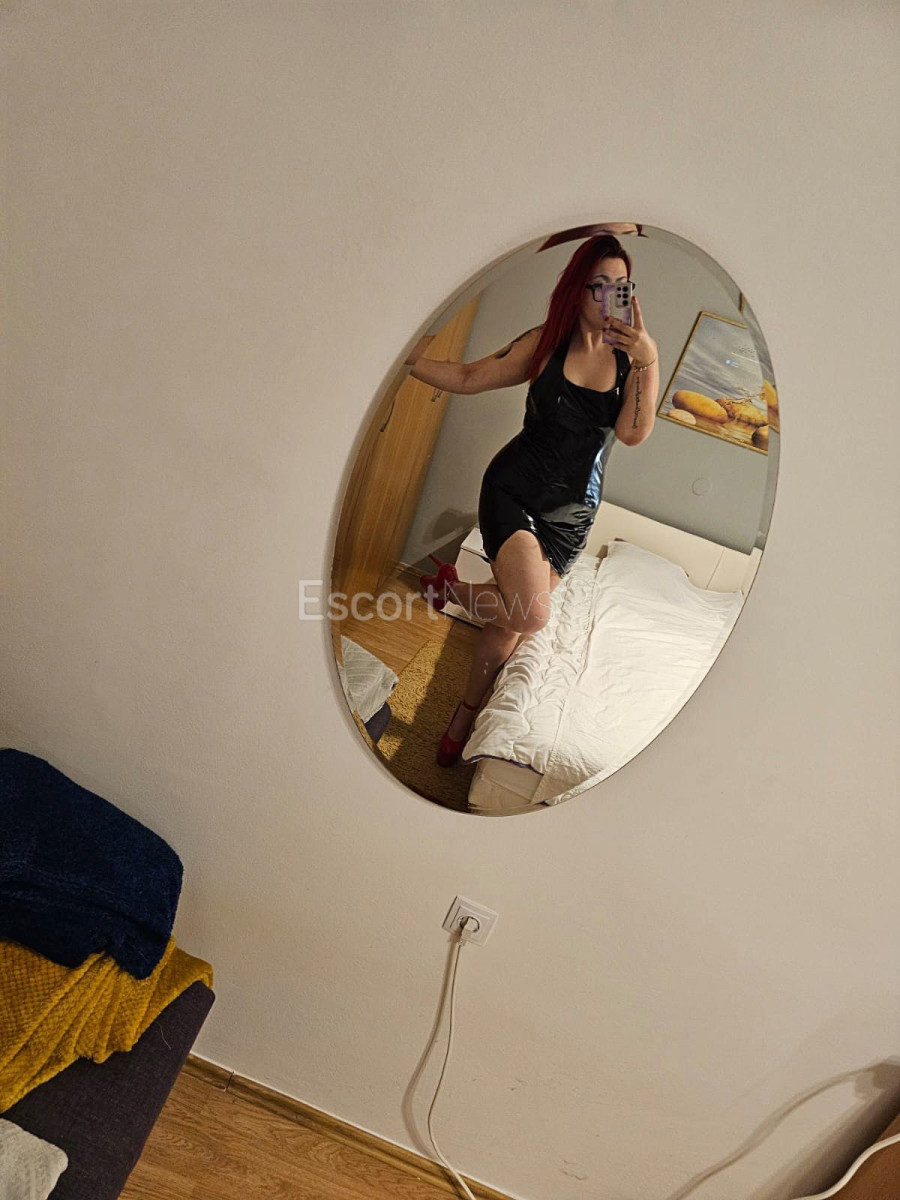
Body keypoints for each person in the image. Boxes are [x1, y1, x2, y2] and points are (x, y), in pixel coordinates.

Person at [407, 235, 659, 766]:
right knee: (532, 614)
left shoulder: (632, 360)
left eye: (620, 286)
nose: (609, 297)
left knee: (509, 624)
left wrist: (647, 360)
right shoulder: (546, 342)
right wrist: (405, 361)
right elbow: (471, 376)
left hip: (572, 517)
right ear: (577, 288)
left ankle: (462, 718)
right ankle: (450, 589)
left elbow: (634, 433)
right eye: (598, 285)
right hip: (514, 491)